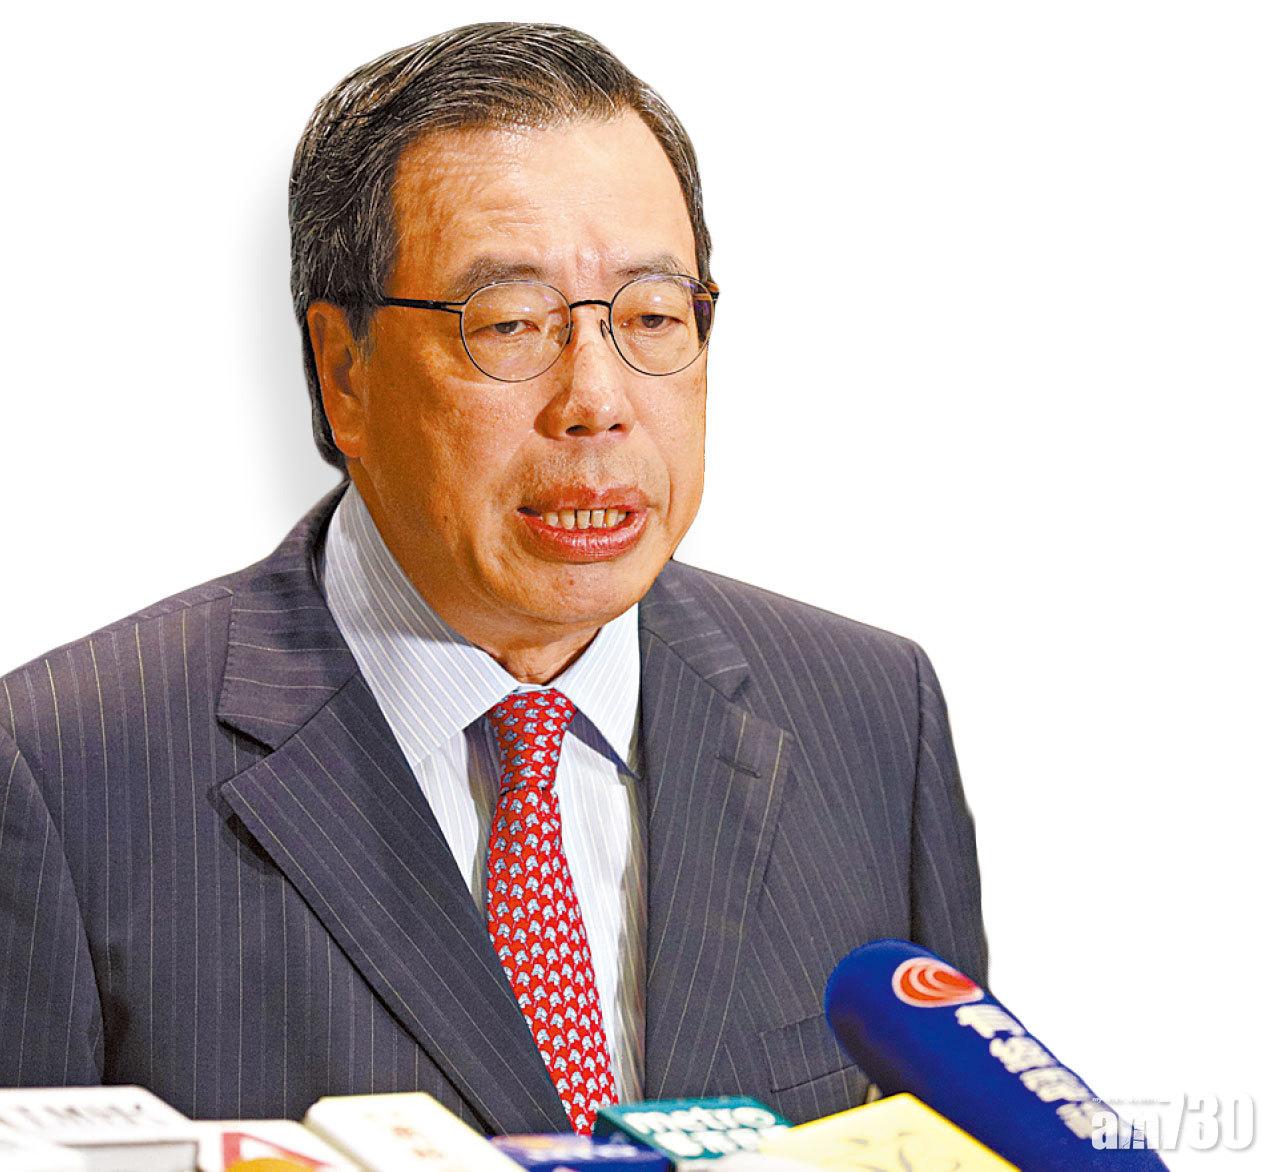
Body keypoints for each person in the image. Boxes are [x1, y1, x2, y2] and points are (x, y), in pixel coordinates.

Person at [0, 22, 985, 1133]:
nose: (596, 400)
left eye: (653, 317)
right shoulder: (64, 775)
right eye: (511, 324)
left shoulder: (872, 715)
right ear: (343, 370)